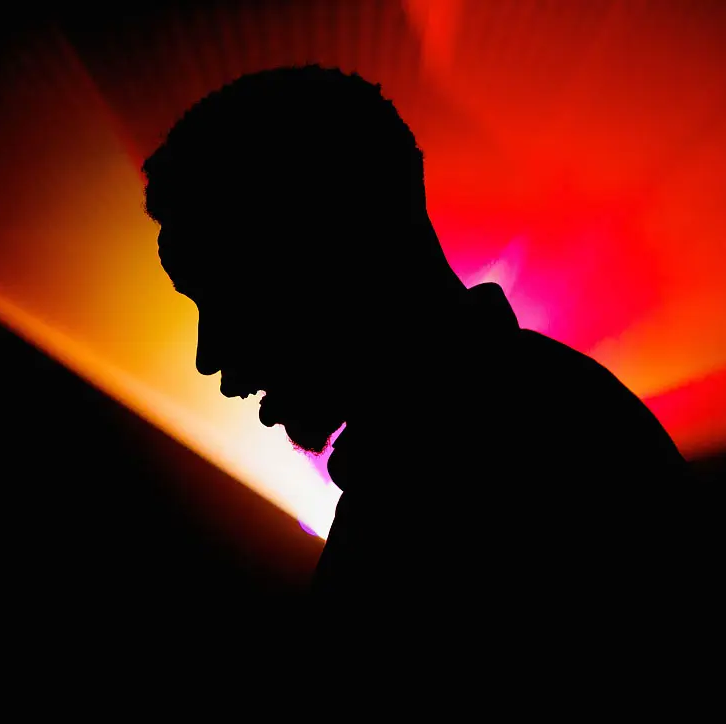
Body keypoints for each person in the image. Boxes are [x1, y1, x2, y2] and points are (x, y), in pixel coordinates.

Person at [143, 66, 691, 629]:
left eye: (228, 292)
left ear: (332, 249)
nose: (208, 356)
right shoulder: (522, 435)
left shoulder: (476, 481)